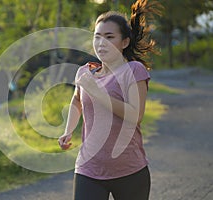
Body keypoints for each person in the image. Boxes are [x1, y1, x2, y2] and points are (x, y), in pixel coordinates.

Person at [58, 0, 162, 199]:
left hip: (129, 170)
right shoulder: (85, 72)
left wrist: (96, 92)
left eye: (109, 37)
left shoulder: (133, 70)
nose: (101, 43)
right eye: (97, 37)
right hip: (88, 169)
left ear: (124, 42)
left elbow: (135, 115)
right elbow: (77, 101)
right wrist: (68, 131)